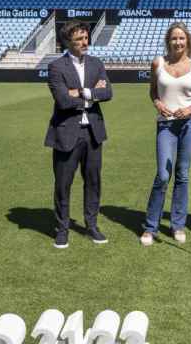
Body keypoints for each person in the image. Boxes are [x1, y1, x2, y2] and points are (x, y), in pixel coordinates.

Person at [44, 20, 113, 249]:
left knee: (93, 181)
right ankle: (62, 228)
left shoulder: (96, 63)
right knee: (63, 183)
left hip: (93, 132)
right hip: (66, 132)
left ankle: (91, 225)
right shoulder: (56, 67)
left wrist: (82, 92)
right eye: (79, 39)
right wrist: (93, 93)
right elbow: (63, 100)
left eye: (85, 38)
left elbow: (108, 92)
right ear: (67, 42)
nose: (85, 43)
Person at [140, 22, 191, 246]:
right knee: (163, 175)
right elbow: (152, 93)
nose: (178, 42)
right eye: (174, 38)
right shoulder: (157, 63)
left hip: (190, 125)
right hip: (166, 126)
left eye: (181, 38)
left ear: (187, 41)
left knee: (183, 174)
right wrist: (158, 104)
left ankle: (178, 224)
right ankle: (151, 226)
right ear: (168, 41)